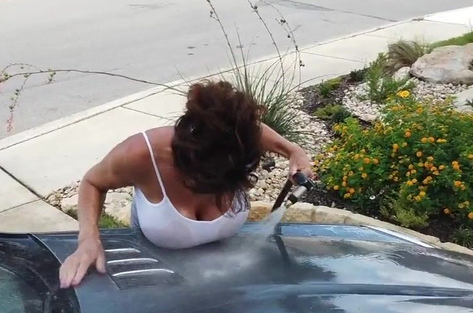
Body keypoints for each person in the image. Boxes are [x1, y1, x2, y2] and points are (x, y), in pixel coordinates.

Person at [59, 80, 313, 289]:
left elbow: (248, 127)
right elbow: (92, 182)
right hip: (159, 281)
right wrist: (88, 239)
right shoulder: (141, 153)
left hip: (225, 288)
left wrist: (293, 151)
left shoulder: (235, 141)